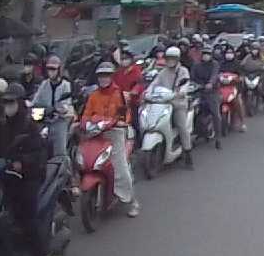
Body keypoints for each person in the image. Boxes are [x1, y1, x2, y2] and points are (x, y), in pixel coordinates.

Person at [0, 84, 52, 256]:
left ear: (20, 102)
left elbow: (40, 154)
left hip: (29, 178)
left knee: (28, 221)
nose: (8, 106)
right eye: (5, 102)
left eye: (11, 102)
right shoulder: (3, 125)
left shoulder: (29, 126)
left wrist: (21, 163)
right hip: (7, 176)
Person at [81, 62, 140, 217]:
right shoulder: (93, 95)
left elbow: (124, 115)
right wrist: (86, 122)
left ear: (111, 77)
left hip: (115, 134)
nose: (103, 79)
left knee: (120, 168)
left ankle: (132, 201)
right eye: (101, 76)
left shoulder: (118, 94)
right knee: (84, 160)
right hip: (96, 134)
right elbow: (86, 115)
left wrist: (115, 122)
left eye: (106, 75)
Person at [150, 46, 194, 168]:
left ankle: (187, 153)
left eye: (173, 58)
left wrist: (181, 92)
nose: (170, 61)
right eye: (168, 58)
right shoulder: (163, 72)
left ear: (177, 59)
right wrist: (147, 92)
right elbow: (154, 83)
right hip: (163, 103)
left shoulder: (183, 71)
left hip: (178, 104)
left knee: (181, 126)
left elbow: (185, 84)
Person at [31, 55, 74, 159]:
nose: (51, 72)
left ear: (59, 70)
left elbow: (65, 106)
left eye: (53, 69)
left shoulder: (66, 85)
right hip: (45, 120)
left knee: (60, 152)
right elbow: (35, 102)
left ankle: (61, 164)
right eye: (49, 69)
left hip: (60, 121)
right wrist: (42, 109)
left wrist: (57, 109)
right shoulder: (44, 84)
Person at [191, 45, 221, 148]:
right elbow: (192, 77)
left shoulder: (215, 64)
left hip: (212, 91)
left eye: (208, 54)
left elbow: (214, 75)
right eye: (204, 54)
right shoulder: (196, 65)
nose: (206, 56)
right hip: (198, 91)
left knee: (215, 114)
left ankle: (218, 138)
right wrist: (195, 85)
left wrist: (210, 83)